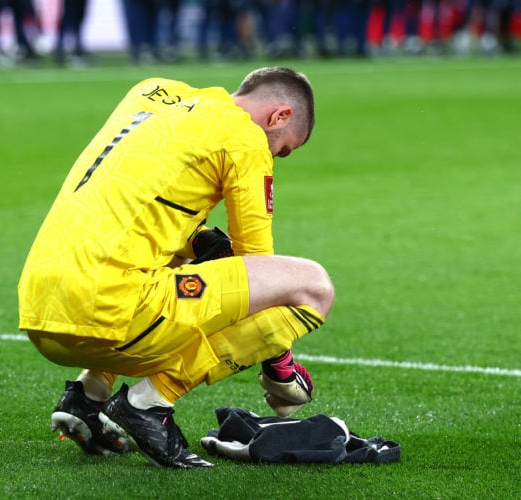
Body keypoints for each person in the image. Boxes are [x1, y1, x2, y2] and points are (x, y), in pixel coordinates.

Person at [18, 67, 335, 468]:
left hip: (39, 309)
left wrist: (199, 241)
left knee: (189, 251)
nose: (274, 157)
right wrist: (280, 368)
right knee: (314, 285)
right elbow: (259, 268)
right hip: (108, 319)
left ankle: (89, 392)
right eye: (282, 149)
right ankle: (150, 402)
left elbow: (141, 203)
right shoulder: (246, 138)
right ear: (280, 116)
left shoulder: (151, 92)